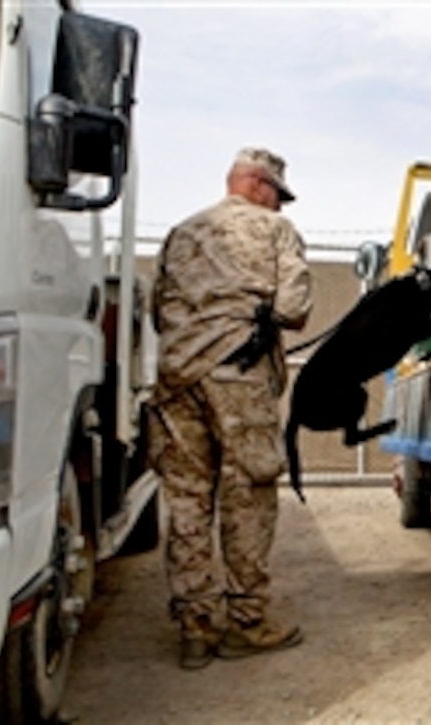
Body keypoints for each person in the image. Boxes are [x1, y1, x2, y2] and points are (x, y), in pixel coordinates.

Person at [147, 147, 313, 670]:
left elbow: (157, 311)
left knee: (189, 498)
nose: (280, 207)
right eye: (278, 196)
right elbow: (294, 310)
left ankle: (195, 630)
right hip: (238, 378)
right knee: (248, 494)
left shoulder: (181, 233)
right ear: (260, 186)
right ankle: (246, 622)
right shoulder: (275, 232)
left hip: (178, 379)